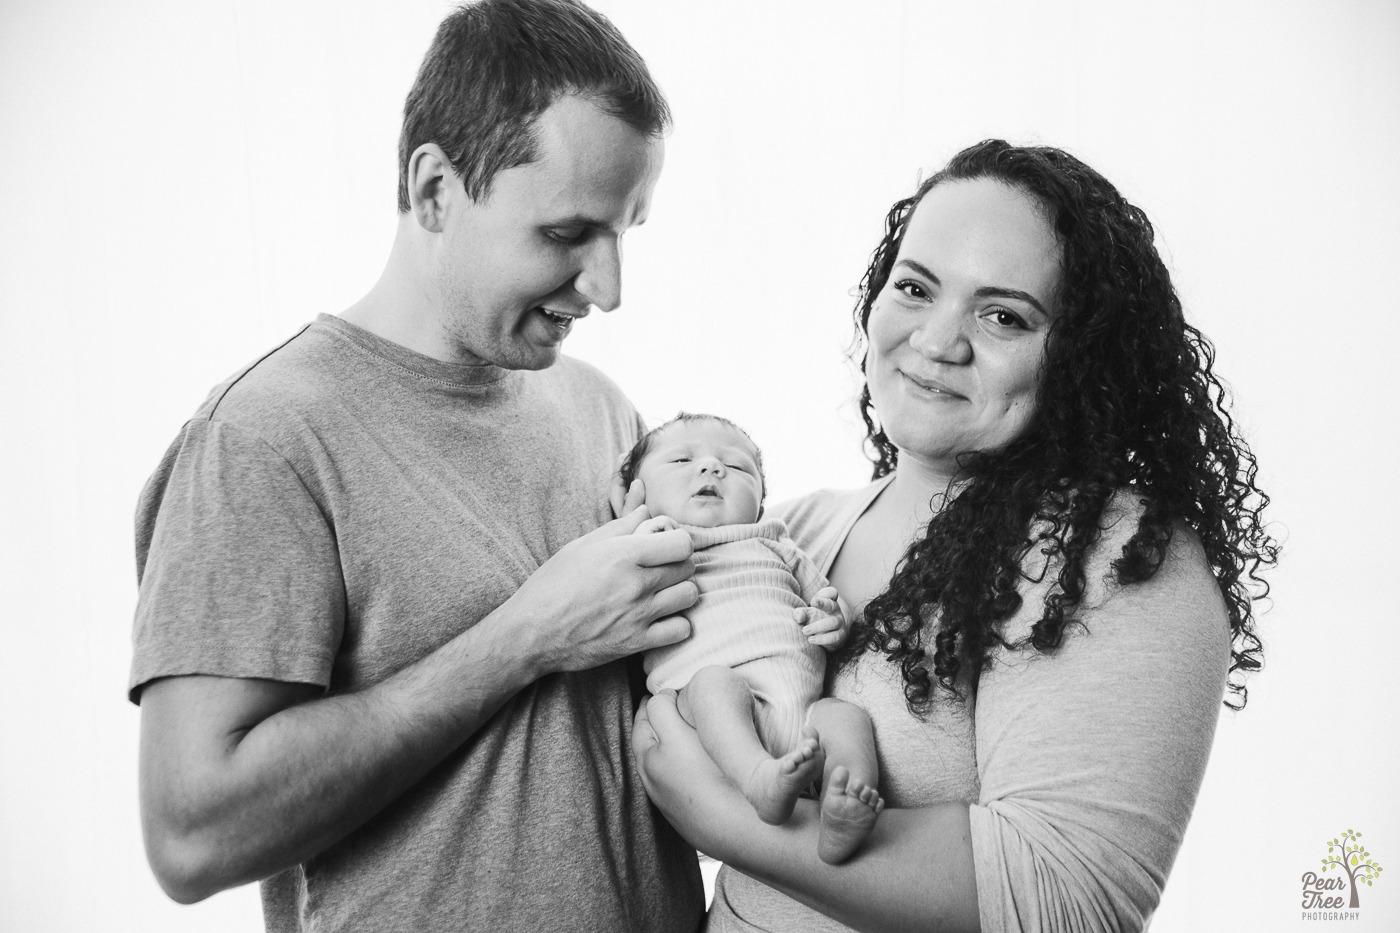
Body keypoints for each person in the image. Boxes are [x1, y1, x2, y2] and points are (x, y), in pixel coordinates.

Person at [128, 1, 706, 931]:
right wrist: (527, 635)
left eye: (626, 231)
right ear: (435, 188)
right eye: (567, 235)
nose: (608, 287)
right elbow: (194, 834)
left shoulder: (601, 409)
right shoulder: (264, 440)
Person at [632, 139, 1278, 933]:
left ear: (1080, 357)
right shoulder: (793, 532)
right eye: (915, 287)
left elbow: (1070, 895)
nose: (938, 341)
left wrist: (727, 822)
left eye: (1003, 315)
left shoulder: (1115, 555)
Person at [620, 413, 886, 865]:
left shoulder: (778, 545)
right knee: (713, 683)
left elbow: (828, 599)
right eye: (682, 459)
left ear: (760, 504)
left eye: (738, 467)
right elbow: (618, 594)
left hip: (804, 721)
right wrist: (630, 530)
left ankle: (845, 805)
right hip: (711, 720)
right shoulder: (653, 545)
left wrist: (833, 621)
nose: (711, 468)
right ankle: (757, 779)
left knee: (845, 716)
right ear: (638, 497)